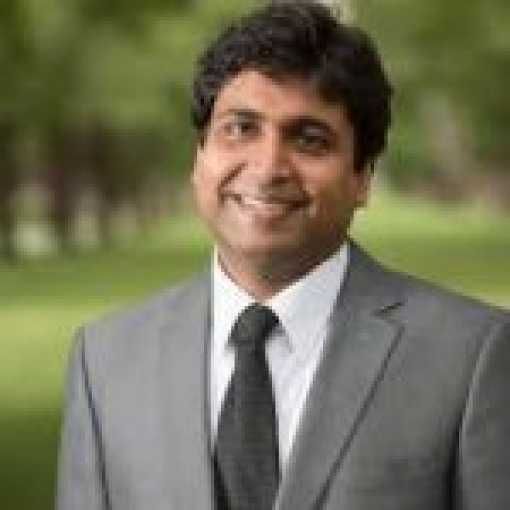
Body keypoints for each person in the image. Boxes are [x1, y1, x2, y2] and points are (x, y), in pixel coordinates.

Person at [56, 2, 510, 509]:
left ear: (362, 177)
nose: (269, 166)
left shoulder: (473, 357)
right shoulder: (105, 361)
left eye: (309, 139)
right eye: (240, 128)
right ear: (199, 156)